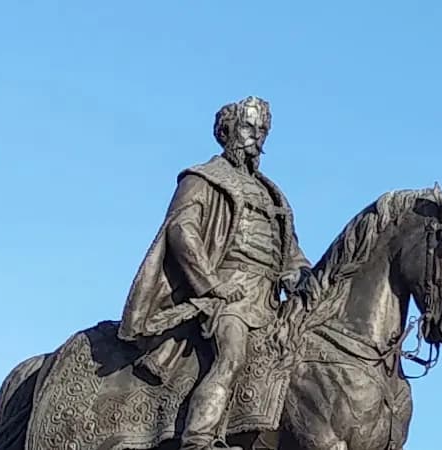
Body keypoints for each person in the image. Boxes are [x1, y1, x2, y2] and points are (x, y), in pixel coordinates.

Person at [117, 96, 312, 450]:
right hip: (227, 296)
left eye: (263, 129)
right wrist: (212, 284)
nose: (256, 136)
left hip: (270, 301)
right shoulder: (203, 178)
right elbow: (182, 230)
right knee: (232, 356)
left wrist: (302, 276)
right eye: (248, 127)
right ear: (227, 131)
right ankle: (199, 439)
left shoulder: (272, 195)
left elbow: (290, 252)